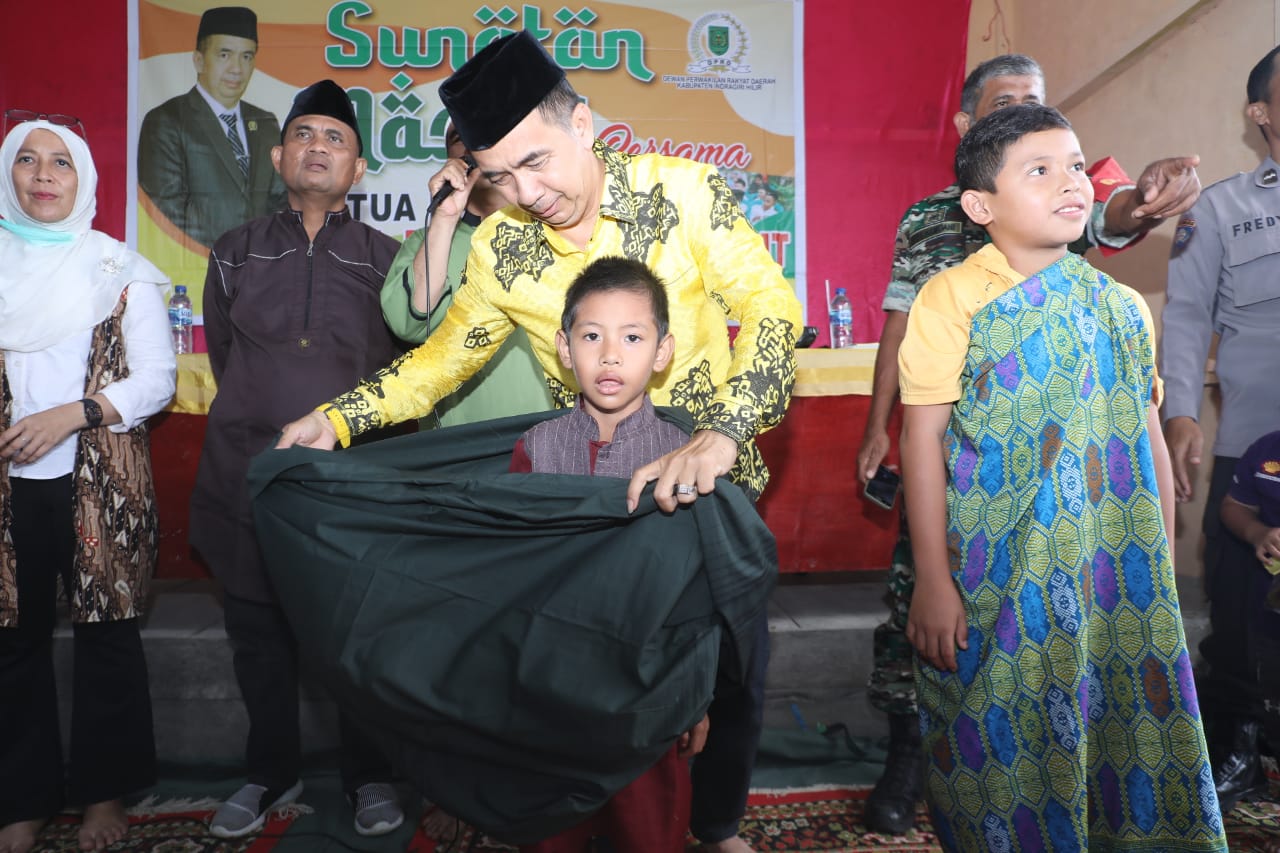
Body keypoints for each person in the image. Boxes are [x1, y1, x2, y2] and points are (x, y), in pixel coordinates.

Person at [277, 30, 802, 853]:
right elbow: (440, 361)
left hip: (712, 480)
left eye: (538, 161)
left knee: (729, 664)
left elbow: (775, 311)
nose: (528, 191)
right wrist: (338, 418)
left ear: (584, 124)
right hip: (596, 503)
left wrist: (725, 432)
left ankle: (717, 822)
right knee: (607, 678)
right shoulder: (502, 249)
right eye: (501, 176)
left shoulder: (685, 194)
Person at [854, 52, 1203, 834]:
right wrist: (935, 581)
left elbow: (1144, 444)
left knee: (1108, 729)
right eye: (1038, 169)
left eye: (1075, 165)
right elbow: (925, 437)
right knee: (993, 742)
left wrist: (1162, 568)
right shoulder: (952, 297)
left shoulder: (1118, 306)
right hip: (993, 566)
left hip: (1104, 566)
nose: (1071, 181)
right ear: (979, 204)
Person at [188, 80, 404, 840]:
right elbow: (222, 354)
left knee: (356, 636)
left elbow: (408, 374)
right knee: (259, 636)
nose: (318, 146)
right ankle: (268, 768)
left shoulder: (390, 260)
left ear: (359, 167)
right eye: (304, 135)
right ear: (280, 156)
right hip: (249, 473)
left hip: (352, 485)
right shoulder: (235, 251)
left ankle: (372, 773)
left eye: (335, 138)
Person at [0, 118, 176, 853]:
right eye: (29, 161)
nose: (44, 175)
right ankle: (21, 797)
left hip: (96, 480)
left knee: (107, 636)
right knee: (11, 640)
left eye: (62, 163)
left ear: (85, 182)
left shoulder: (118, 269)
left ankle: (104, 795)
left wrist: (71, 416)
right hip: (9, 490)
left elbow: (158, 381)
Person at [509, 256, 708, 852]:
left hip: (647, 689)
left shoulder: (683, 451)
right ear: (565, 349)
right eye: (591, 336)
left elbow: (697, 586)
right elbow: (513, 575)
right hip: (554, 687)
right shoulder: (535, 449)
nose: (611, 355)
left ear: (664, 350)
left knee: (650, 835)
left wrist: (694, 695)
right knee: (552, 833)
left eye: (632, 337)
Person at [1163, 44, 1280, 813]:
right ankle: (1236, 742)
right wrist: (1177, 413)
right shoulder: (1221, 209)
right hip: (1254, 450)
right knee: (1239, 615)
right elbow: (1184, 316)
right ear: (1261, 113)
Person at [381, 122, 552, 428]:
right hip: (454, 446)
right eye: (462, 139)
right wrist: (444, 218)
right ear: (450, 157)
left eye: (487, 137)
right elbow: (408, 323)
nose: (475, 146)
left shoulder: (554, 234)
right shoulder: (426, 239)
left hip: (546, 441)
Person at [138, 6, 286, 250]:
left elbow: (281, 200)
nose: (237, 69)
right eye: (224, 55)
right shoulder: (166, 121)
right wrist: (227, 257)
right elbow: (165, 214)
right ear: (199, 60)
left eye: (246, 56)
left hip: (260, 271)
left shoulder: (265, 123)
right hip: (197, 265)